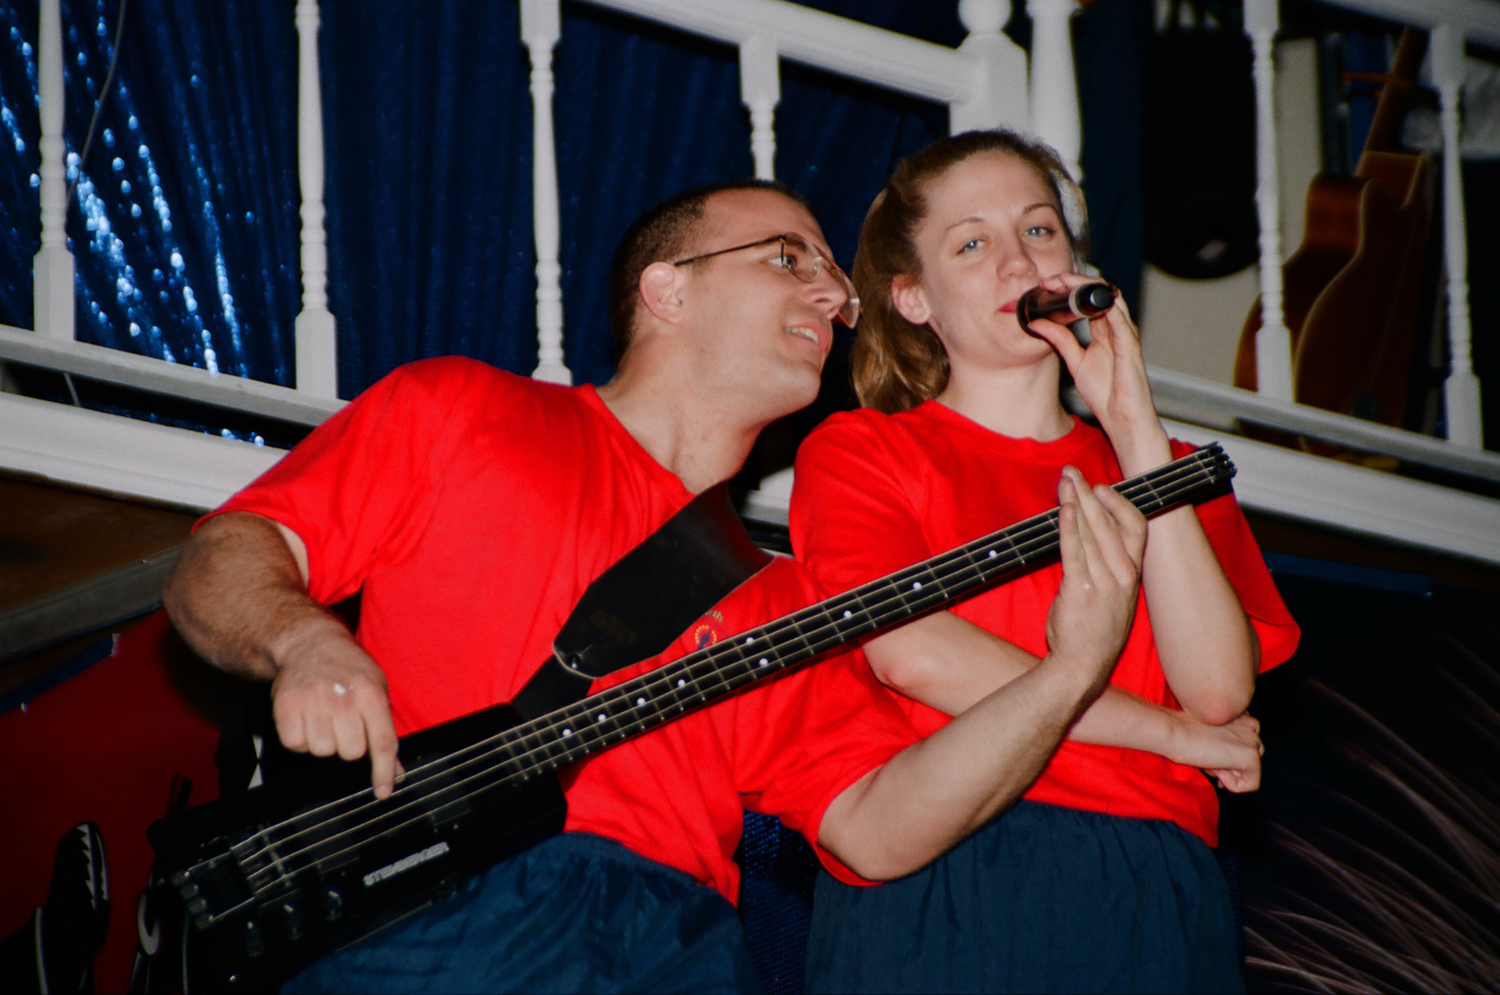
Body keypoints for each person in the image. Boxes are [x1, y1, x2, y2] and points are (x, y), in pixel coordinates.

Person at [163, 179, 1158, 994]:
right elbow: (225, 557)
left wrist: (1065, 676)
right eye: (789, 258)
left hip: (678, 941)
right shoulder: (462, 411)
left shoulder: (781, 600)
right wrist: (305, 640)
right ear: (667, 291)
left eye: (837, 284)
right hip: (439, 911)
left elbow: (872, 825)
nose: (831, 296)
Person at [789, 131, 1301, 993]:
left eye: (1038, 230)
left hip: (1156, 876)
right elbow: (916, 653)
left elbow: (1218, 692)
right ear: (913, 297)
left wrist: (1134, 430)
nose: (1018, 262)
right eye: (972, 243)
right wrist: (1168, 733)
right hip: (957, 859)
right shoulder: (866, 451)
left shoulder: (1167, 464)